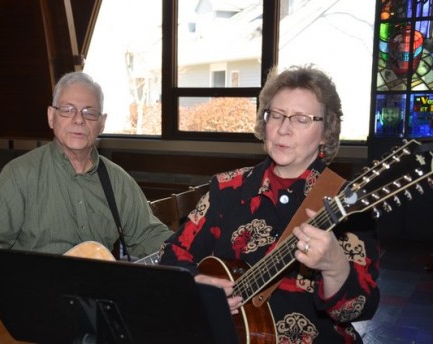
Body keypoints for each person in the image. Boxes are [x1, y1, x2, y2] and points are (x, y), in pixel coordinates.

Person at [159, 65, 380, 343]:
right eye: (276, 115)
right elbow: (172, 253)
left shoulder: (346, 203)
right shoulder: (227, 189)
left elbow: (359, 309)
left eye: (301, 119)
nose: (284, 129)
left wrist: (335, 267)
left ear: (326, 131)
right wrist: (195, 284)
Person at [0, 71, 172, 259]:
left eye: (89, 112)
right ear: (51, 117)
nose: (78, 120)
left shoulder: (118, 181)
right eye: (67, 110)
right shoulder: (20, 175)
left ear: (102, 123)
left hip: (94, 297)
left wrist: (192, 248)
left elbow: (148, 236)